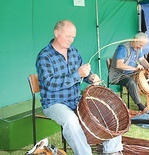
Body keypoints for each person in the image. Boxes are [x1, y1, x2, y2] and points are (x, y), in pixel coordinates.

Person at [36, 20, 123, 155]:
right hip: (54, 103)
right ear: (56, 33)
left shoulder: (74, 52)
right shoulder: (44, 56)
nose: (71, 40)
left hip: (75, 100)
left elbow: (84, 73)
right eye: (67, 36)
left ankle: (113, 151)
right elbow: (49, 84)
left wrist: (91, 77)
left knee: (105, 111)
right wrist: (77, 75)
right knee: (71, 120)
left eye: (73, 37)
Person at [109, 32, 149, 113]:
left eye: (142, 46)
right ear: (135, 40)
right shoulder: (123, 48)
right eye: (140, 45)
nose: (141, 48)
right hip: (119, 75)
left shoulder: (138, 48)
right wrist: (135, 68)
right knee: (131, 82)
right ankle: (141, 106)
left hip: (131, 73)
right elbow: (119, 65)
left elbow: (142, 60)